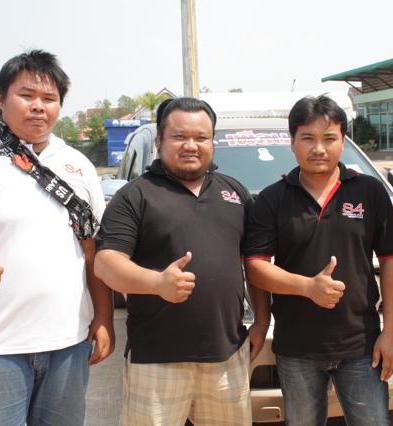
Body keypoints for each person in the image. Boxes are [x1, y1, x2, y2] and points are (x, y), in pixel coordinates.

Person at [0, 50, 115, 426]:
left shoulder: (78, 166)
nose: (38, 106)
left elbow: (93, 251)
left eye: (49, 98)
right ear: (0, 99)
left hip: (68, 345)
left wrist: (104, 316)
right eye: (26, 95)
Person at [94, 97, 269, 425]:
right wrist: (157, 283)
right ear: (160, 140)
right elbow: (106, 263)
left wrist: (261, 320)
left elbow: (254, 263)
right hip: (156, 361)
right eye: (179, 136)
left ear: (212, 142)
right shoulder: (135, 195)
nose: (191, 145)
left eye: (201, 137)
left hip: (227, 357)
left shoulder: (235, 193)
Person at [244, 95, 393, 426]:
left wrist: (390, 332)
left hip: (361, 345)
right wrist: (308, 287)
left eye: (329, 138)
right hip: (296, 348)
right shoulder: (272, 199)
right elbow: (256, 267)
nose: (319, 148)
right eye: (308, 138)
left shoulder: (370, 192)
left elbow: (391, 262)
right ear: (292, 142)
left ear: (343, 141)